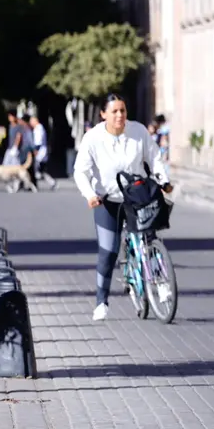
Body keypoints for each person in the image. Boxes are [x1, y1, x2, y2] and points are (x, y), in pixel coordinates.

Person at [72, 94, 172, 321]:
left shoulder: (138, 131)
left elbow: (154, 157)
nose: (119, 115)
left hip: (137, 197)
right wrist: (89, 194)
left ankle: (162, 284)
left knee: (149, 239)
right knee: (108, 250)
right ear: (103, 114)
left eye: (123, 110)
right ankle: (101, 302)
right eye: (114, 111)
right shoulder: (93, 137)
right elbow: (80, 171)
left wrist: (163, 180)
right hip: (107, 200)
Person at [29, 115, 57, 190]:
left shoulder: (38, 128)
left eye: (31, 121)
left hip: (40, 152)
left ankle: (33, 184)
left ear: (35, 120)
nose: (30, 123)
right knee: (41, 169)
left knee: (38, 169)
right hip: (41, 151)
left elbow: (38, 141)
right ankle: (51, 182)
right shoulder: (39, 128)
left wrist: (36, 150)